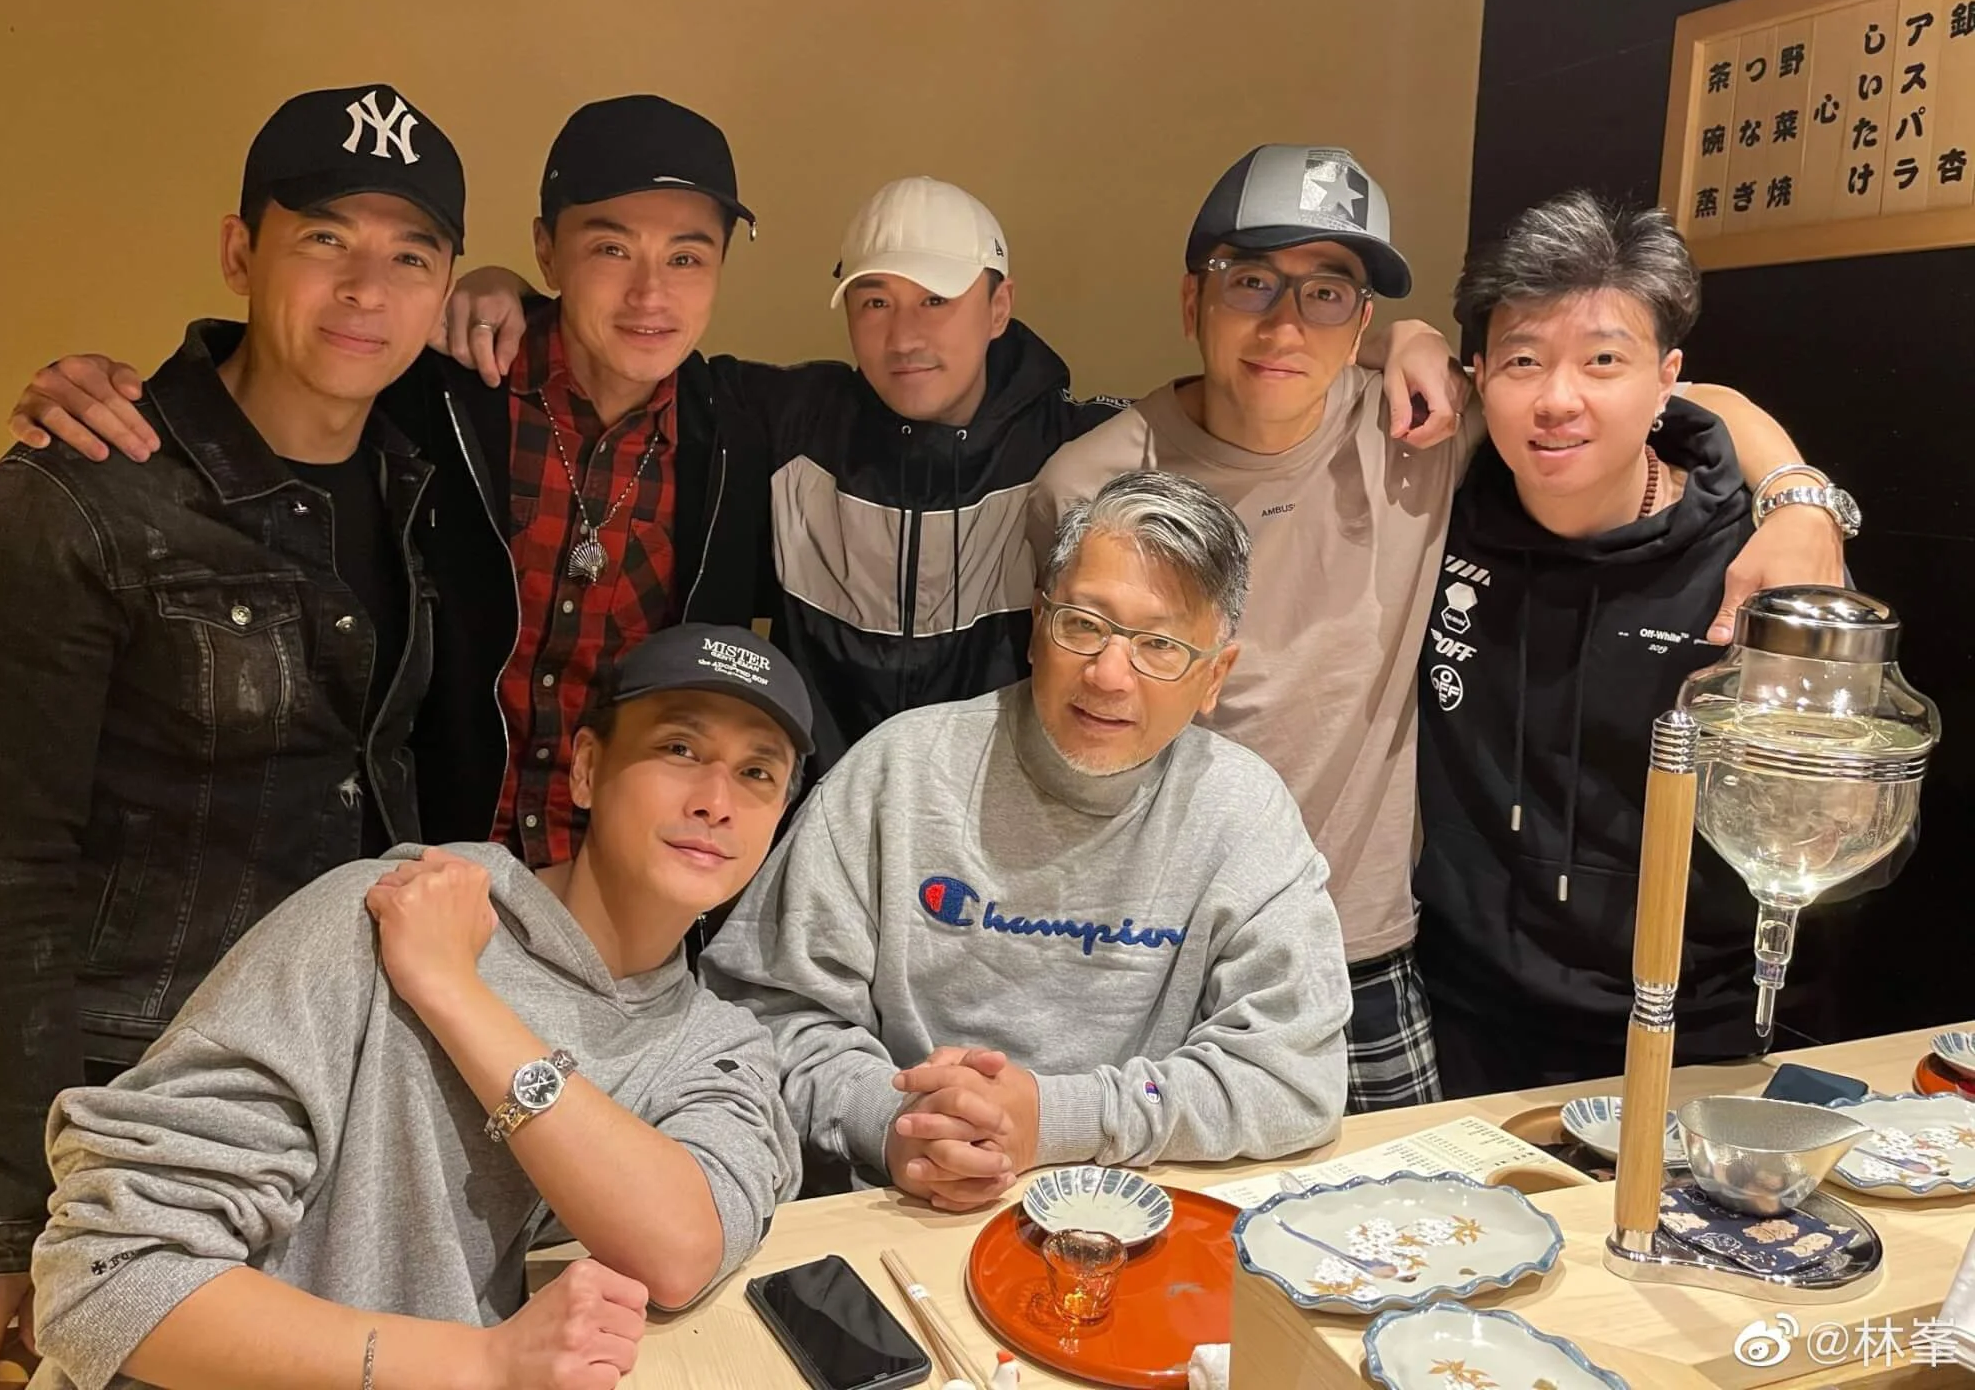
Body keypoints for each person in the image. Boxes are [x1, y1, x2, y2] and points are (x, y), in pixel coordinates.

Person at [1029, 145, 1845, 1114]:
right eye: (1249, 281)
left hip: (1367, 953)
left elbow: (1672, 399)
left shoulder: (1418, 437)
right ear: (1190, 299)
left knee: (1393, 1203)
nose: (1284, 322)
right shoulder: (1089, 487)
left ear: (1359, 320)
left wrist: (1801, 498)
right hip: (1145, 944)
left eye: (1327, 294)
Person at [0, 83, 507, 1390]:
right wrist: (9, 1211)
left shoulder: (421, 474)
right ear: (241, 251)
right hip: (147, 1114)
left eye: (409, 257)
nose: (365, 289)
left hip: (353, 1083)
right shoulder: (75, 500)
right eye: (324, 240)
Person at [435, 174, 1461, 785]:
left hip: (995, 846)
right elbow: (632, 346)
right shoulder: (779, 421)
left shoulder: (1075, 449)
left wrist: (1396, 339)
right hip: (808, 837)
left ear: (998, 305)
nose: (905, 333)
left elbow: (1245, 382)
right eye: (874, 301)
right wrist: (510, 291)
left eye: (936, 299)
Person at [24, 624, 809, 1390]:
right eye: (680, 749)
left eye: (757, 773)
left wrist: (454, 995)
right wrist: (479, 1365)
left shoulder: (714, 1044)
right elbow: (104, 1279)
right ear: (587, 769)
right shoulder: (388, 911)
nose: (716, 801)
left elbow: (680, 1253)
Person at [4, 94, 775, 871]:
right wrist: (123, 396)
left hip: (617, 895)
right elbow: (282, 375)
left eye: (686, 258)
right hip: (417, 878)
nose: (650, 294)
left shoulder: (746, 433)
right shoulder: (433, 389)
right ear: (547, 251)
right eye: (610, 249)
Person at [701, 470, 1352, 1209]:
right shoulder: (898, 772)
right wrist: (898, 1122)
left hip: (1136, 1215)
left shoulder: (1243, 813)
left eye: (1160, 645)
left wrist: (1054, 1118)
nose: (1110, 675)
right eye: (1084, 624)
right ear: (1038, 625)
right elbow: (758, 1014)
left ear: (1214, 678)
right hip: (903, 1209)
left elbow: (1294, 1077)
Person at [1413, 193, 1872, 1094]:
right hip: (1463, 1016)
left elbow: (1841, 830)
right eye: (1523, 361)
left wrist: (1801, 496)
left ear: (1667, 381)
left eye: (1603, 361)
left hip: (1703, 1030)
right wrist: (1402, 337)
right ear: (1478, 376)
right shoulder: (1434, 510)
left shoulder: (1758, 565)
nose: (1558, 400)